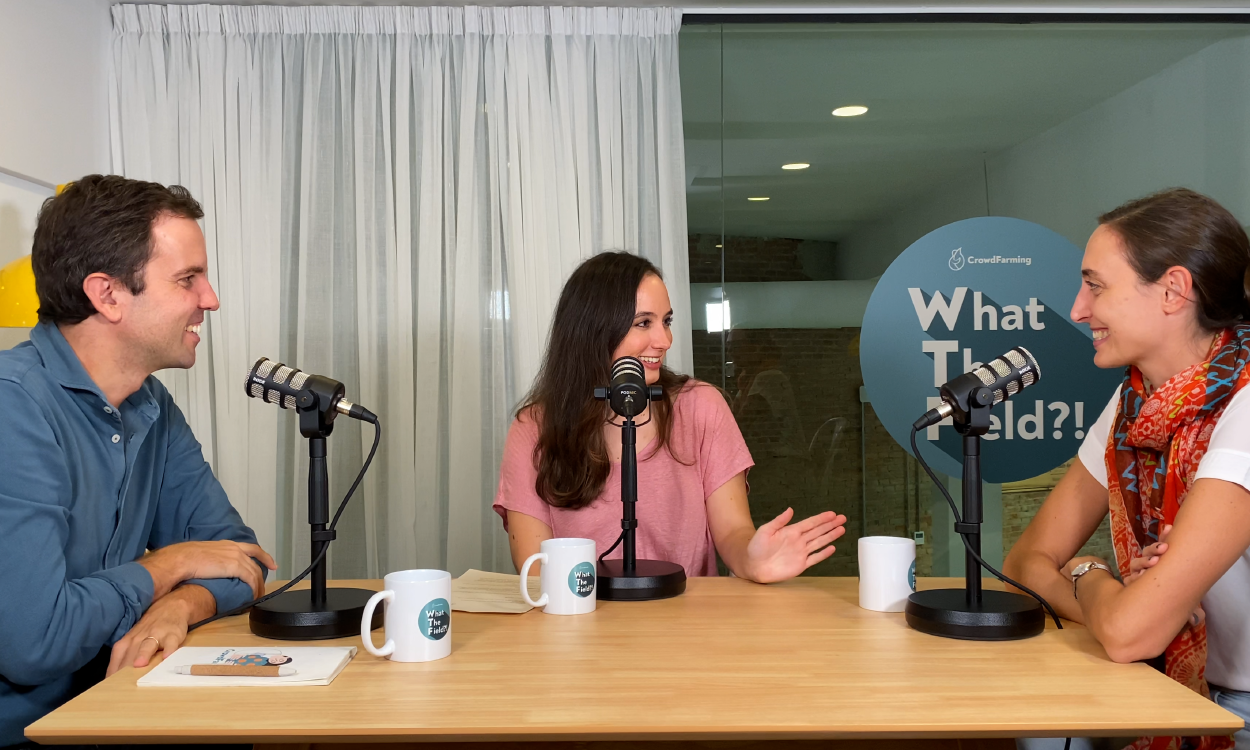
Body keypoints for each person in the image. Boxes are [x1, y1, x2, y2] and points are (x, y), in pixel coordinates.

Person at [0, 175, 277, 748]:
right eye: (187, 279)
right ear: (107, 294)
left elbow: (241, 558)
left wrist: (180, 605)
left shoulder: (150, 403)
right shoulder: (13, 408)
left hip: (112, 709)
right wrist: (171, 564)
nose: (210, 299)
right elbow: (36, 644)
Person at [1003, 188, 1250, 750]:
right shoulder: (1133, 404)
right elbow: (1024, 563)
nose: (1078, 309)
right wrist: (1119, 601)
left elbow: (1128, 634)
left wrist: (1089, 573)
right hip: (1172, 688)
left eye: (1096, 286)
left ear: (1173, 290)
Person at [494, 251, 847, 582]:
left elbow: (733, 532)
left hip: (686, 618)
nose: (664, 340)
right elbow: (535, 566)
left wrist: (751, 559)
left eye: (666, 321)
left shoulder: (702, 406)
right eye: (643, 323)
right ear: (593, 329)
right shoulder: (533, 428)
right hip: (581, 620)